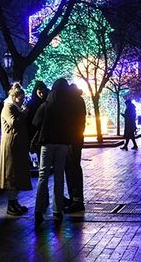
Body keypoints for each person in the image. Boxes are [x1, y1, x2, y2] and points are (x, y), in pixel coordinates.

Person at [32, 78, 73, 227]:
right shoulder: (67, 108)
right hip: (62, 144)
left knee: (42, 176)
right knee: (59, 176)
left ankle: (38, 210)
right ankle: (58, 211)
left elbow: (35, 123)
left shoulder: (46, 106)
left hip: (47, 144)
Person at [0, 82, 32, 216]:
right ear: (14, 96)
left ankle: (14, 202)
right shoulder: (8, 107)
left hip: (17, 146)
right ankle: (11, 204)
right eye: (20, 98)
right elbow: (14, 123)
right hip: (11, 147)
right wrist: (24, 113)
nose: (22, 101)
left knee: (16, 174)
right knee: (11, 175)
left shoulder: (14, 107)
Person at [64, 83, 87, 214]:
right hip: (77, 139)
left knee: (73, 168)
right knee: (74, 167)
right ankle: (76, 198)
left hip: (73, 140)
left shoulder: (74, 101)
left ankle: (76, 199)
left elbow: (71, 121)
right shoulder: (79, 100)